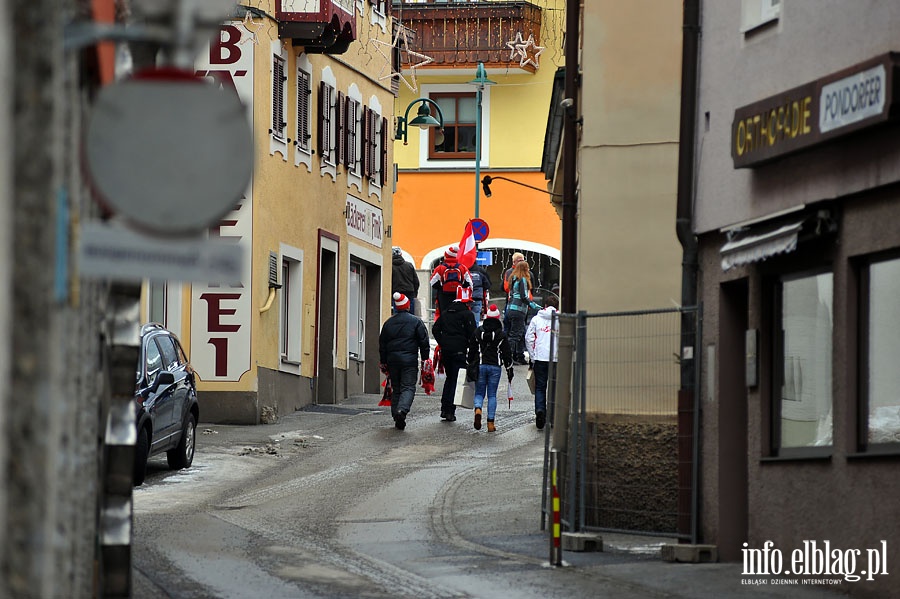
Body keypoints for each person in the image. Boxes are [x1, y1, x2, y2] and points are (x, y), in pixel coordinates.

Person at [379, 292, 430, 430]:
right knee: (408, 387)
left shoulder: (388, 323)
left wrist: (383, 361)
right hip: (409, 361)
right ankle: (402, 410)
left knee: (397, 389)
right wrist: (425, 358)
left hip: (392, 361)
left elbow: (382, 344)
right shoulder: (416, 321)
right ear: (408, 306)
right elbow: (424, 341)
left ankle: (396, 416)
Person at [431, 286, 477, 422]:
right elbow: (473, 335)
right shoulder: (467, 314)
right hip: (459, 351)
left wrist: (443, 342)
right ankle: (450, 410)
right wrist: (469, 348)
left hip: (446, 352)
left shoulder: (446, 313)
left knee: (449, 378)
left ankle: (444, 408)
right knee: (456, 381)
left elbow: (435, 329)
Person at [467, 304, 513, 432]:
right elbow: (507, 353)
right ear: (498, 318)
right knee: (492, 395)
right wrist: (509, 368)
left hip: (481, 366)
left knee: (479, 392)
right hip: (495, 367)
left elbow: (472, 349)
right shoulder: (501, 335)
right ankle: (490, 424)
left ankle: (478, 409)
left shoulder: (478, 332)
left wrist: (469, 362)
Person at [525, 294, 559, 430]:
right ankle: (553, 418)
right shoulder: (560, 319)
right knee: (554, 388)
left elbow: (529, 338)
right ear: (557, 307)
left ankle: (540, 411)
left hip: (540, 358)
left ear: (544, 306)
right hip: (556, 358)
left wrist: (533, 356)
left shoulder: (536, 319)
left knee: (540, 387)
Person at [506, 260, 542, 365]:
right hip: (519, 309)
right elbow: (524, 296)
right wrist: (535, 306)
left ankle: (514, 356)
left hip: (510, 308)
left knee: (515, 333)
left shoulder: (513, 278)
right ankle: (509, 358)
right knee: (516, 334)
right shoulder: (523, 280)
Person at [429, 245, 473, 320]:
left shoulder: (440, 268)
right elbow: (469, 283)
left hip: (444, 296)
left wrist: (442, 287)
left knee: (444, 314)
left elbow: (432, 282)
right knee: (458, 315)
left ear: (446, 256)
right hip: (458, 296)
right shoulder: (462, 267)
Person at [501, 252, 525, 334]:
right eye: (519, 261)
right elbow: (506, 288)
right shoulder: (509, 272)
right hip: (511, 304)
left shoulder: (528, 273)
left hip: (523, 305)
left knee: (520, 329)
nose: (521, 263)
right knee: (509, 327)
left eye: (522, 261)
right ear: (514, 262)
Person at [391, 247, 419, 315]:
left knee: (397, 314)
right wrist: (415, 293)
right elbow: (416, 281)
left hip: (396, 293)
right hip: (409, 292)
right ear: (401, 254)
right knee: (410, 314)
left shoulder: (390, 267)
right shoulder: (409, 265)